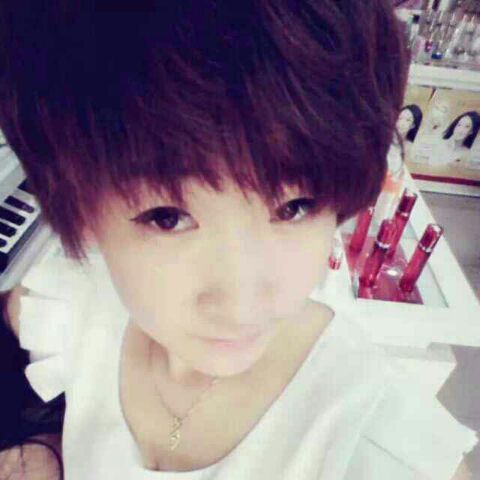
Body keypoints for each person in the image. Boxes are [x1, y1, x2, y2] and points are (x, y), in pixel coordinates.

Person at [0, 1, 477, 479]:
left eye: (295, 208)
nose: (242, 304)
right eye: (168, 218)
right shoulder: (78, 302)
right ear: (81, 210)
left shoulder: (381, 448)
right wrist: (49, 447)